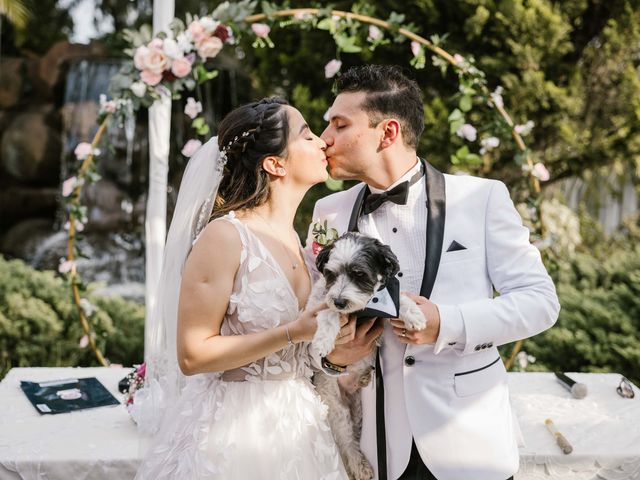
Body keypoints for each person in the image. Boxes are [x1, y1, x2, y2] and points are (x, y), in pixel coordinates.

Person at [305, 65, 561, 480]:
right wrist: (334, 359)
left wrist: (448, 322)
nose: (325, 138)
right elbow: (310, 317)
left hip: (470, 444)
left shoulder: (481, 198)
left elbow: (540, 302)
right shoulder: (328, 213)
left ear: (387, 133)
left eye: (339, 124)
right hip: (376, 451)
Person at [134, 97, 350, 479]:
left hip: (298, 424)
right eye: (308, 134)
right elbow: (193, 355)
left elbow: (303, 351)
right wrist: (291, 332)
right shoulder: (225, 237)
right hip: (232, 434)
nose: (322, 142)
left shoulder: (299, 241)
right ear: (275, 163)